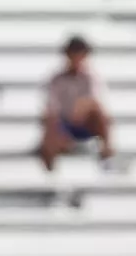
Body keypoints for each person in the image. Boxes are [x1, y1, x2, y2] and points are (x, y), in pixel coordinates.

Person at [38, 35, 114, 171]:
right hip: (64, 124)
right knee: (50, 121)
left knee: (100, 114)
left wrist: (80, 109)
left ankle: (106, 154)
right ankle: (50, 168)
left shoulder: (91, 78)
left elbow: (94, 101)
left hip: (84, 123)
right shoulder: (56, 79)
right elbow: (51, 107)